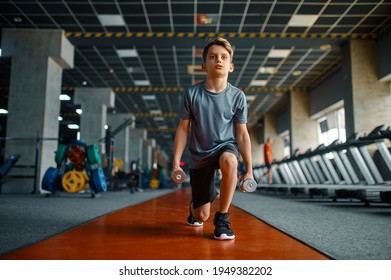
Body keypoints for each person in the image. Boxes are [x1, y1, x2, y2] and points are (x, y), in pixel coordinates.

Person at [172, 37, 254, 240]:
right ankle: (195, 209)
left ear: (231, 66)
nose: (219, 60)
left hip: (225, 146)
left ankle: (223, 218)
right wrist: (176, 163)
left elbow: (242, 134)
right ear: (204, 65)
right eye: (213, 57)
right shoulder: (192, 93)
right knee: (201, 215)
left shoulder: (237, 96)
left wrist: (249, 170)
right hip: (200, 154)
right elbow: (183, 129)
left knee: (230, 160)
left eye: (224, 57)